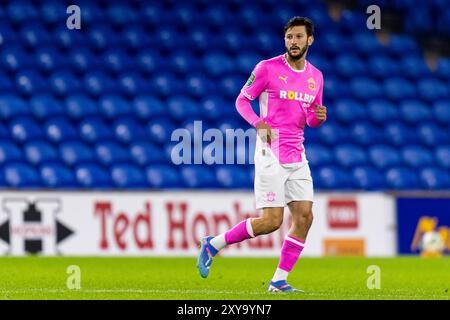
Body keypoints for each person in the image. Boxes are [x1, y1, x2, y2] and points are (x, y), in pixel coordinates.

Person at [197, 16, 327, 292]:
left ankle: (279, 281)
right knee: (271, 222)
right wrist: (258, 123)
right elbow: (242, 99)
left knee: (305, 217)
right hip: (271, 152)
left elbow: (310, 119)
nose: (293, 42)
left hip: (297, 154)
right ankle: (213, 244)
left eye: (299, 37)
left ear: (310, 40)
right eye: (289, 37)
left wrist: (319, 118)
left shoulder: (316, 77)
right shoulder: (267, 68)